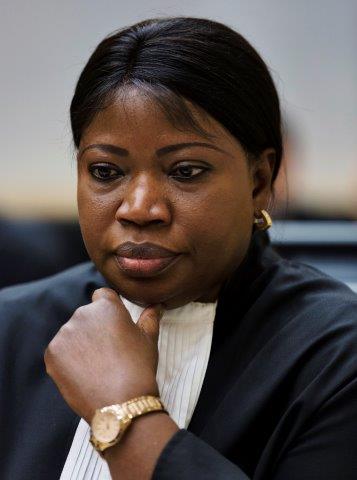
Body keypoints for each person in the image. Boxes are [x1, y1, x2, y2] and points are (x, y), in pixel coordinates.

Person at [1, 16, 357, 480]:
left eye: (185, 171)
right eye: (106, 172)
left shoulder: (335, 361)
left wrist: (124, 412)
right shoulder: (11, 329)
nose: (141, 209)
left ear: (259, 181)